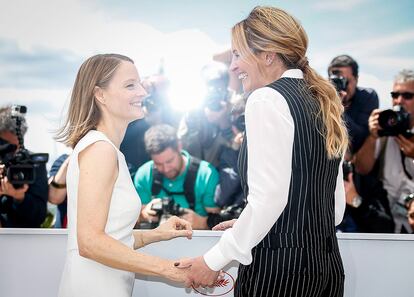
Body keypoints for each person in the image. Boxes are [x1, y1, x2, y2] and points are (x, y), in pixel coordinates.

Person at [176, 7, 348, 297]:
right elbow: (334, 210)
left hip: (278, 273)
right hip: (327, 269)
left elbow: (269, 200)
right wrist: (250, 222)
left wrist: (212, 260)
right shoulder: (323, 100)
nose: (232, 66)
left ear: (268, 55)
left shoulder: (266, 99)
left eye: (238, 54)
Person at [56, 54, 192, 297]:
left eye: (140, 83)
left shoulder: (106, 149)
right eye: (130, 85)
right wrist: (166, 268)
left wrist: (157, 234)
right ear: (100, 95)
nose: (142, 91)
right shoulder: (101, 150)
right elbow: (90, 243)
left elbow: (112, 237)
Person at [354, 69, 414, 233]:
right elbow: (361, 168)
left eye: (407, 96)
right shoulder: (386, 126)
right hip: (388, 220)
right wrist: (372, 136)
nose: (399, 101)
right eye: (395, 95)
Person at [134, 124, 220, 230]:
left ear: (179, 146)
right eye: (158, 164)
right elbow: (131, 222)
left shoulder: (206, 175)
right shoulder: (144, 175)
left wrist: (203, 223)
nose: (165, 169)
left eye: (169, 161)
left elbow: (220, 224)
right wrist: (143, 215)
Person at [0, 106, 48, 228]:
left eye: (15, 147)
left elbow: (39, 216)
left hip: (23, 241)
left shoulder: (33, 164)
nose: (11, 153)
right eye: (4, 146)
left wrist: (20, 197)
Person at [328, 55, 379, 154]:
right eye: (335, 81)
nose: (341, 86)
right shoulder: (323, 98)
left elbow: (360, 137)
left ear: (356, 79)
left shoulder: (367, 97)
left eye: (345, 81)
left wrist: (337, 108)